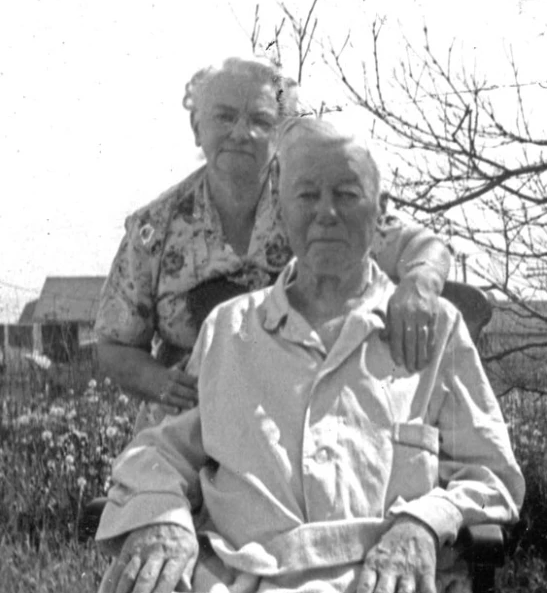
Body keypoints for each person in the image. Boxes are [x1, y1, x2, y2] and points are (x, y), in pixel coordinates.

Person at [33, 116, 535, 593]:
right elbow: (160, 449)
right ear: (282, 205)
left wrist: (425, 522)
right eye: (307, 194)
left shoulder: (434, 330)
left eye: (346, 194)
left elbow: (494, 474)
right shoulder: (230, 329)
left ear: (382, 210)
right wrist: (164, 520)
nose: (325, 212)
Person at [95, 55, 451, 433]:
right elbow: (114, 345)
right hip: (191, 423)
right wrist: (160, 383)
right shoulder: (155, 228)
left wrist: (419, 286)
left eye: (260, 121)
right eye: (224, 117)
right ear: (197, 127)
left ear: (281, 134)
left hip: (307, 415)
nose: (240, 133)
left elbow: (423, 246)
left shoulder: (314, 199)